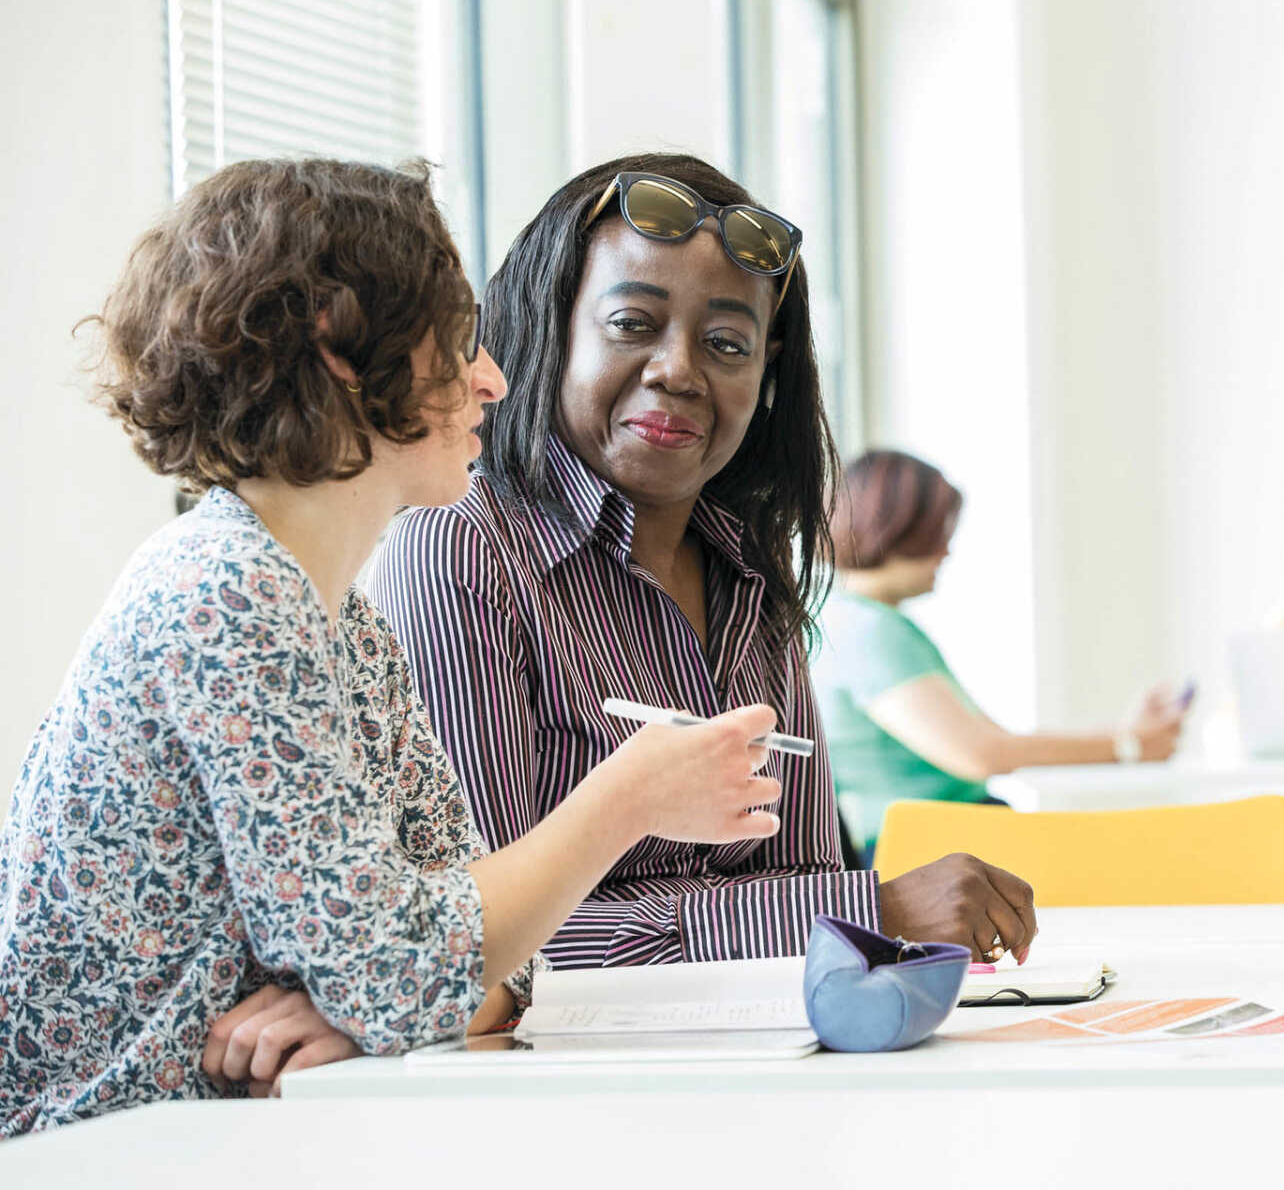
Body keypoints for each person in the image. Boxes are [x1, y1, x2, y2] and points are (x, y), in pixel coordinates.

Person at [0, 159, 784, 1134]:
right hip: (96, 1152)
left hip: (229, 1137)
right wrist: (628, 797)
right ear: (340, 351)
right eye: (457, 343)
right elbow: (412, 969)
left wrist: (405, 991)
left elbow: (481, 953)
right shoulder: (225, 591)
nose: (493, 378)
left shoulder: (347, 626)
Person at [369, 156, 1039, 967]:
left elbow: (801, 878)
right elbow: (484, 939)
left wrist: (844, 914)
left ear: (766, 374)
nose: (679, 371)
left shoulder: (752, 570)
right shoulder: (457, 549)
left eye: (727, 344)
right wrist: (868, 910)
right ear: (551, 325)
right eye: (631, 324)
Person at [815, 449, 1190, 858]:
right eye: (938, 534)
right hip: (938, 850)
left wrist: (1127, 739)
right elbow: (981, 753)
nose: (946, 552)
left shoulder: (847, 620)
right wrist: (1126, 745)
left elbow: (990, 743)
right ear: (895, 528)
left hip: (937, 841)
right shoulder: (867, 631)